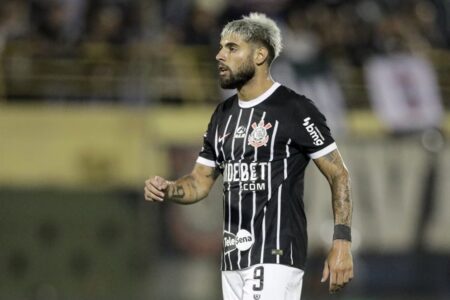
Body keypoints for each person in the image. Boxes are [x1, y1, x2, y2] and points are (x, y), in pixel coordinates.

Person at [145, 12, 353, 300]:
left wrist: (341, 241)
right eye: (220, 48)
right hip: (233, 259)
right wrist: (169, 189)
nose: (220, 55)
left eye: (232, 48)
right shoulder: (222, 116)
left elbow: (338, 172)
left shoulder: (295, 109)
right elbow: (199, 183)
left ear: (259, 55)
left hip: (275, 253)